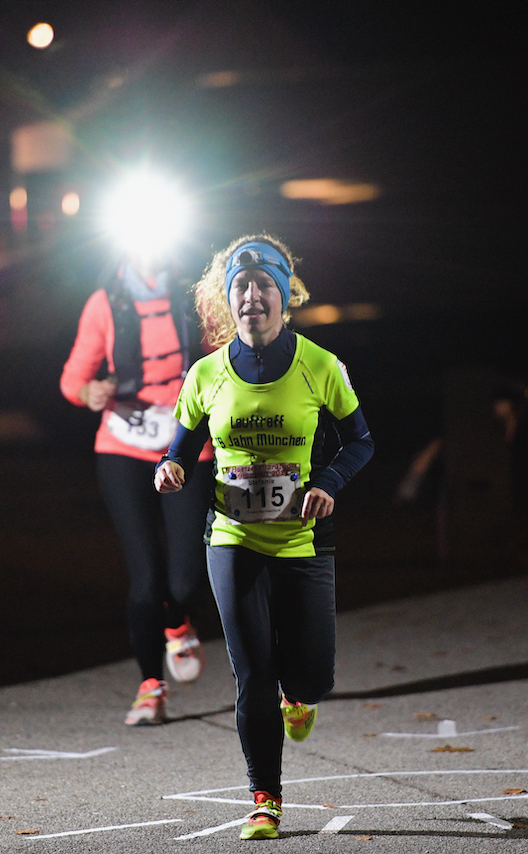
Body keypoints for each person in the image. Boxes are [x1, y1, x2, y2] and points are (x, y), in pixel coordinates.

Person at [155, 235, 373, 839]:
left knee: (311, 675)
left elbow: (361, 441)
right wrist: (170, 468)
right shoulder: (205, 375)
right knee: (252, 671)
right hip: (232, 538)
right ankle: (265, 799)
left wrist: (327, 481)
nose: (252, 297)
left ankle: (300, 697)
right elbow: (179, 449)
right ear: (229, 302)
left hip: (304, 540)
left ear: (284, 297)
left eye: (263, 287)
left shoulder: (320, 365)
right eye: (240, 289)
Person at [60, 256, 215, 725]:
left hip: (187, 446)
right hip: (122, 449)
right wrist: (89, 393)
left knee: (187, 578)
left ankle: (177, 621)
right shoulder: (105, 303)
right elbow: (72, 379)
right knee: (146, 579)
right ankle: (151, 687)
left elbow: (229, 358)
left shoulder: (197, 298)